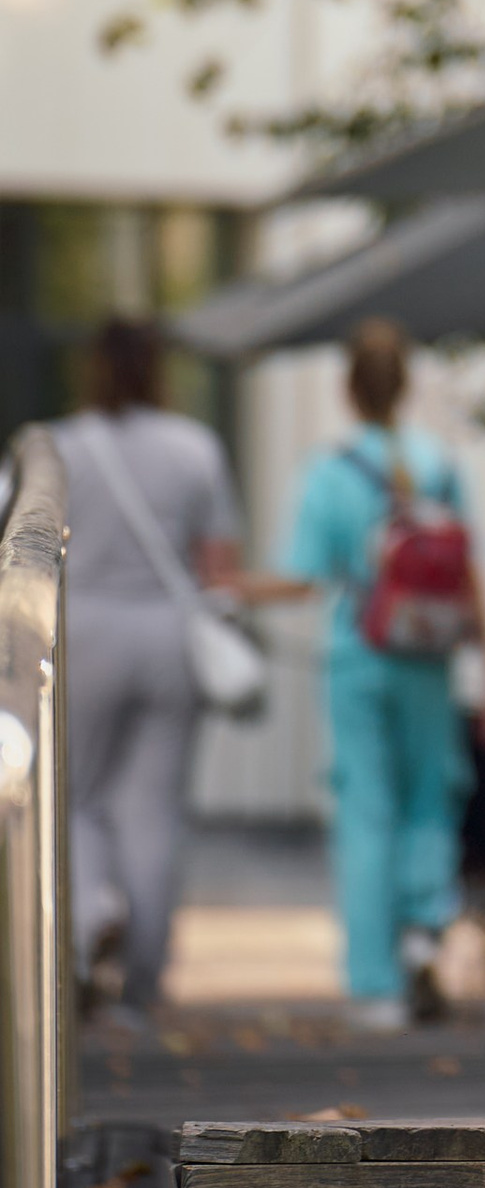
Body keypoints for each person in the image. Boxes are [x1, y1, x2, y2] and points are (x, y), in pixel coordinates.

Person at [271, 318, 485, 1028]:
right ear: (405, 384)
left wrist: (233, 590)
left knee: (365, 805)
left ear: (348, 388)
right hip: (430, 657)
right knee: (430, 795)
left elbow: (303, 578)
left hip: (357, 651)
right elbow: (473, 571)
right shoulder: (439, 462)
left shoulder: (329, 472)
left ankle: (374, 983)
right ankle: (423, 922)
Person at [48, 317, 248, 1028]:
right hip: (169, 634)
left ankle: (90, 914)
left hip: (87, 632)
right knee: (154, 810)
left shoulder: (56, 450)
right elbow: (219, 565)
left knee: (78, 798)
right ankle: (141, 982)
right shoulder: (195, 448)